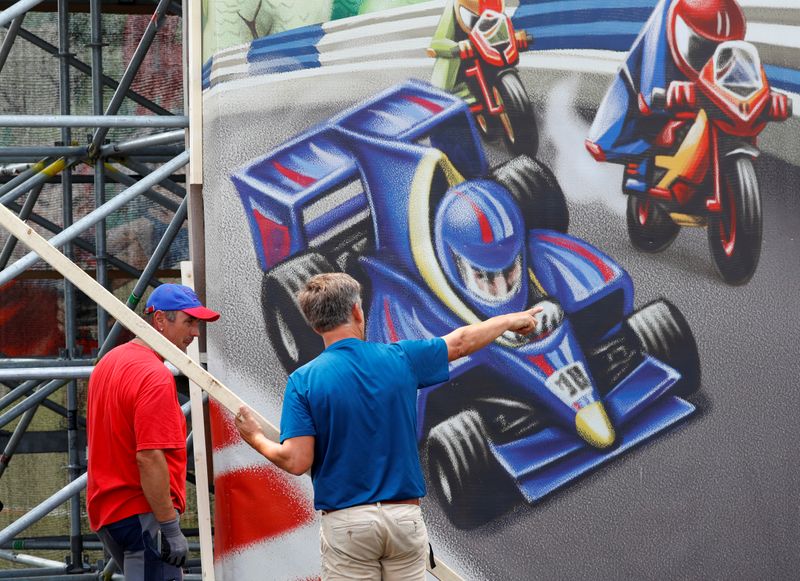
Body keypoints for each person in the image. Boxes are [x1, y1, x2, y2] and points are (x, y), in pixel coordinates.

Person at [235, 272, 559, 580]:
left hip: (348, 524)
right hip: (403, 519)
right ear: (356, 311)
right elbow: (459, 343)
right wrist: (508, 321)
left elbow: (296, 460)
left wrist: (256, 438)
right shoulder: (401, 358)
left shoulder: (303, 382)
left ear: (314, 324)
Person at [86, 283, 220, 580]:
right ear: (160, 320)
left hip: (112, 515)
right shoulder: (154, 376)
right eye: (189, 321)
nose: (196, 332)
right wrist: (171, 529)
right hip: (141, 518)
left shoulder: (110, 362)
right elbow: (149, 458)